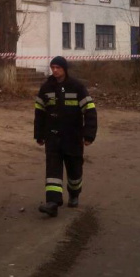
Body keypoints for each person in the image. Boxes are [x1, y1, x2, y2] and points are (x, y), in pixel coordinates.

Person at [35, 56, 97, 217]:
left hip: (73, 137)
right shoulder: (46, 88)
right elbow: (39, 113)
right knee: (53, 170)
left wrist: (89, 134)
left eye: (58, 67)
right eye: (52, 67)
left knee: (74, 170)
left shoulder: (77, 87)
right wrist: (39, 134)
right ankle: (52, 203)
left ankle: (74, 193)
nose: (55, 70)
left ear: (64, 69)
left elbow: (90, 110)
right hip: (53, 137)